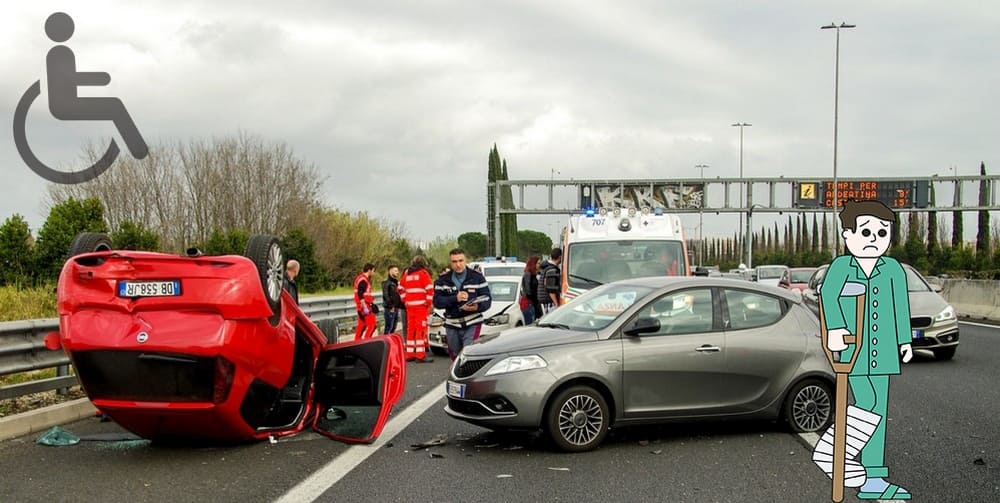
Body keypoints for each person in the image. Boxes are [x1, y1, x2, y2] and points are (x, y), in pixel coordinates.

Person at [818, 199, 913, 500]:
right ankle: (831, 453)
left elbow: (900, 306)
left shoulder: (893, 270)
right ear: (848, 236)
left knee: (879, 412)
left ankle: (873, 478)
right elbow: (828, 296)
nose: (874, 240)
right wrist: (834, 329)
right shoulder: (841, 267)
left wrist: (904, 340)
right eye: (866, 232)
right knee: (868, 401)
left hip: (883, 349)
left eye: (882, 233)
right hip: (853, 351)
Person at [433, 248, 491, 360]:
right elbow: (437, 302)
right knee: (456, 357)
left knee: (468, 354)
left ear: (466, 260)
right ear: (450, 263)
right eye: (454, 262)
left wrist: (477, 307)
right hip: (452, 323)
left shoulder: (477, 277)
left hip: (472, 322)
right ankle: (457, 376)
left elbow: (487, 299)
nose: (458, 265)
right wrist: (455, 298)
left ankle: (470, 377)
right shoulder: (443, 280)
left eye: (461, 260)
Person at [399, 256, 435, 362]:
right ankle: (420, 355)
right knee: (420, 330)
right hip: (421, 307)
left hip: (410, 307)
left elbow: (400, 288)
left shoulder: (407, 274)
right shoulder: (423, 273)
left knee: (411, 330)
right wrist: (428, 303)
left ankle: (409, 354)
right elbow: (429, 289)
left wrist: (405, 300)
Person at [353, 263, 378, 340]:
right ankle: (367, 341)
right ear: (369, 270)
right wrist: (365, 307)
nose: (374, 273)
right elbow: (360, 294)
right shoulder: (363, 280)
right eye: (373, 271)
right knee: (372, 325)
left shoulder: (360, 278)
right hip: (364, 305)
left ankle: (356, 342)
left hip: (361, 305)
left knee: (362, 325)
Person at [536, 248, 562, 315]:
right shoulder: (552, 270)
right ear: (560, 257)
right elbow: (551, 289)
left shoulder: (547, 267)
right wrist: (556, 303)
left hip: (544, 300)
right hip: (548, 302)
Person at [381, 265, 404, 334]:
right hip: (390, 308)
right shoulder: (386, 283)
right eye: (395, 271)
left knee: (394, 327)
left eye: (397, 271)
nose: (397, 272)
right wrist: (391, 306)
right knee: (388, 327)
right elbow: (386, 295)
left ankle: (390, 342)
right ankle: (385, 342)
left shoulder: (396, 282)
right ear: (390, 271)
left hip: (396, 307)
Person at [520, 256, 541, 324]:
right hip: (529, 303)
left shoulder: (533, 275)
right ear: (533, 264)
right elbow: (528, 290)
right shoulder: (528, 274)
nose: (539, 265)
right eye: (538, 263)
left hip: (532, 303)